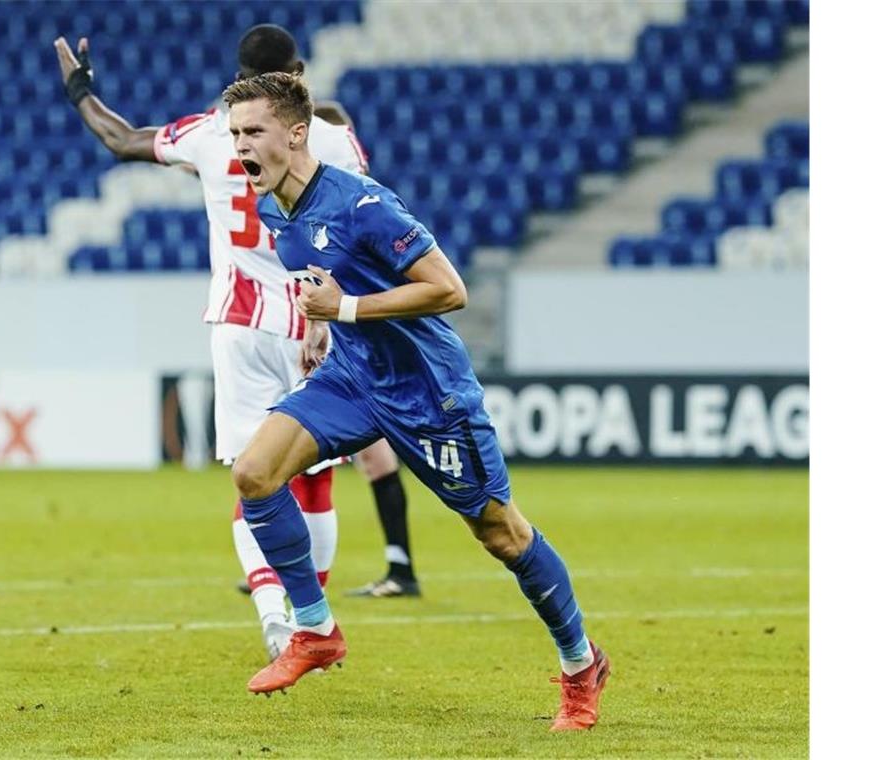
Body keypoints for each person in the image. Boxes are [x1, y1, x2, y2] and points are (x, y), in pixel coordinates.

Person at [221, 72, 610, 732]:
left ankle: (580, 664)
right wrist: (323, 325)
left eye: (252, 131)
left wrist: (343, 307)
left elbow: (449, 288)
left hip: (428, 393)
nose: (241, 147)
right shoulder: (276, 214)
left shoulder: (363, 205)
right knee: (254, 473)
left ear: (295, 132)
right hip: (353, 378)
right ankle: (315, 630)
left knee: (501, 533)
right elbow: (325, 279)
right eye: (233, 134)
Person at [53, 25, 420, 662]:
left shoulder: (208, 130)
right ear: (298, 71)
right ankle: (313, 617)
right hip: (317, 319)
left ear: (240, 72)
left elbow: (120, 139)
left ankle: (277, 617)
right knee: (315, 485)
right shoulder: (332, 137)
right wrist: (332, 316)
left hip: (242, 325)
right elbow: (358, 220)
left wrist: (81, 90)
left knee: (254, 480)